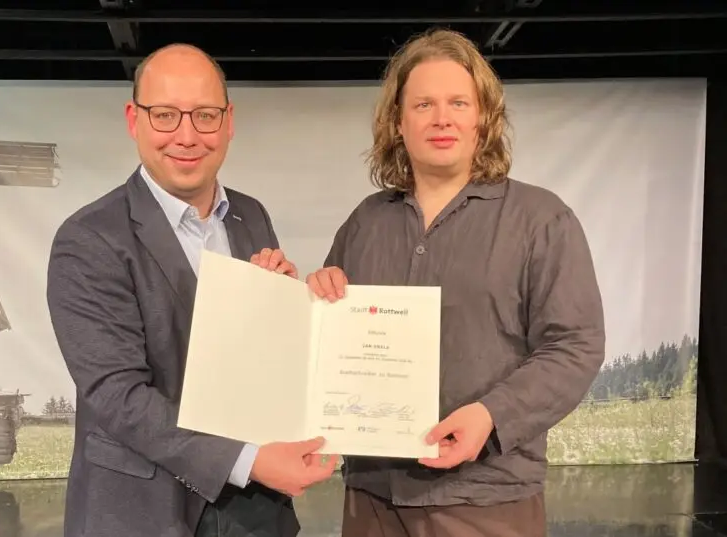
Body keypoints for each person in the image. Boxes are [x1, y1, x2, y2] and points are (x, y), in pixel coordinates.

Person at [305, 29, 606, 537]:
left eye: (458, 103)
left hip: (486, 497)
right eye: (423, 104)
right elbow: (331, 344)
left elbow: (575, 345)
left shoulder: (541, 219)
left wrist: (490, 417)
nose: (441, 118)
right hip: (371, 497)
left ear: (483, 118)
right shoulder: (365, 223)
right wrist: (320, 294)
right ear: (398, 122)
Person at [46, 43, 335, 537]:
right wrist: (249, 460)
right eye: (165, 115)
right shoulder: (88, 239)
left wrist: (284, 307)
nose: (186, 135)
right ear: (134, 120)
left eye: (205, 115)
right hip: (145, 512)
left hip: (255, 512)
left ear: (228, 122)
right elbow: (118, 396)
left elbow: (254, 363)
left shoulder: (251, 216)